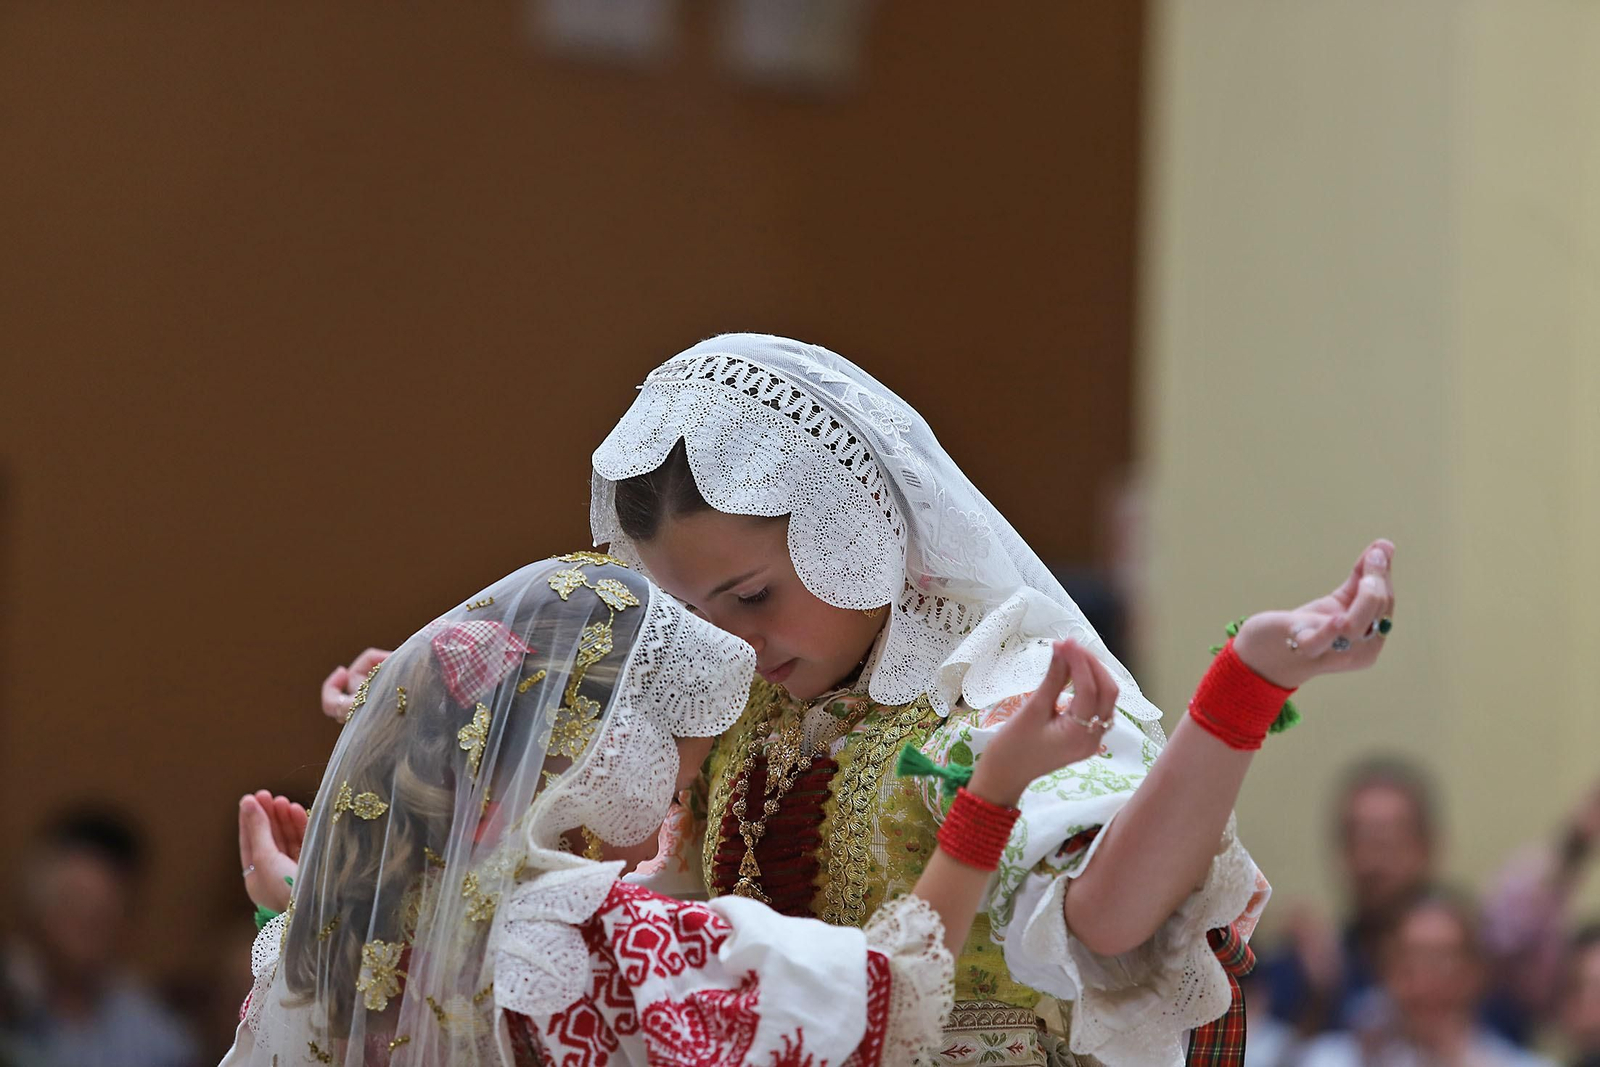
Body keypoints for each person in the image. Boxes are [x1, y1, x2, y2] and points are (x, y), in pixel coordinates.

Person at [582, 333, 1395, 1066]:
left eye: (753, 595)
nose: (733, 641)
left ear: (848, 532)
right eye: (692, 612)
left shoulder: (999, 686)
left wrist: (1242, 689)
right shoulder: (743, 717)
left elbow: (1111, 922)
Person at [224, 553, 1117, 1066]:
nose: (682, 799)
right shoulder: (601, 938)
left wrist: (293, 904)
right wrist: (992, 793)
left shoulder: (335, 950)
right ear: (598, 764)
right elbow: (892, 990)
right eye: (677, 766)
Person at [0, 810, 199, 1067]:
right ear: (33, 903)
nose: (82, 926)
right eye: (72, 902)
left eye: (100, 913)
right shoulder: (12, 998)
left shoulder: (156, 1034)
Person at [1294, 892, 1552, 1067]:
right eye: (1410, 963)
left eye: (1443, 963)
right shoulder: (1331, 1059)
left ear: (1476, 973)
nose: (1425, 983)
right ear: (1386, 972)